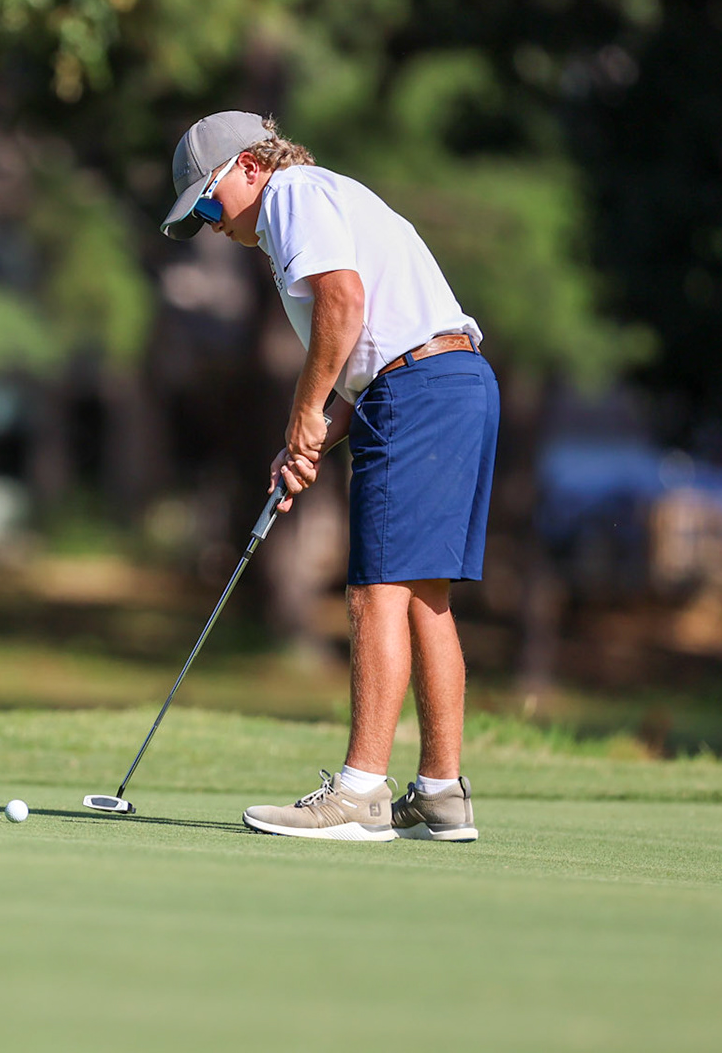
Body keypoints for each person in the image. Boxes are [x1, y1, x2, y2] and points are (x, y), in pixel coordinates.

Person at [159, 111, 497, 842]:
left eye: (210, 203)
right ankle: (440, 793)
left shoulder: (291, 197)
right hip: (447, 382)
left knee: (376, 591)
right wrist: (314, 435)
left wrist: (304, 412)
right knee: (422, 596)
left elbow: (343, 305)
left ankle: (361, 793)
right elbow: (365, 352)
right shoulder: (319, 199)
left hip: (418, 389)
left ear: (250, 166)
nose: (212, 224)